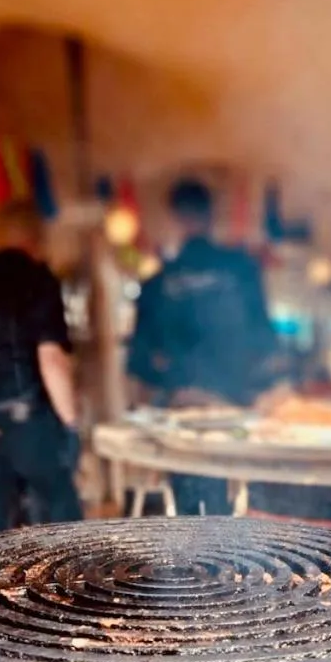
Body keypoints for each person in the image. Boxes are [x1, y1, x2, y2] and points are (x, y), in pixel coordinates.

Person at [127, 177, 277, 514]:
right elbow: (266, 345)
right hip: (235, 408)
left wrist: (169, 386)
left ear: (175, 219)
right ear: (212, 216)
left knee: (190, 507)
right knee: (240, 503)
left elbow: (140, 361)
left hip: (182, 411)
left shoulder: (156, 284)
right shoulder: (243, 271)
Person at [0, 201, 81, 534]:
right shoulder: (39, 280)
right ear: (37, 239)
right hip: (27, 415)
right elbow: (50, 357)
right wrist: (70, 422)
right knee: (61, 517)